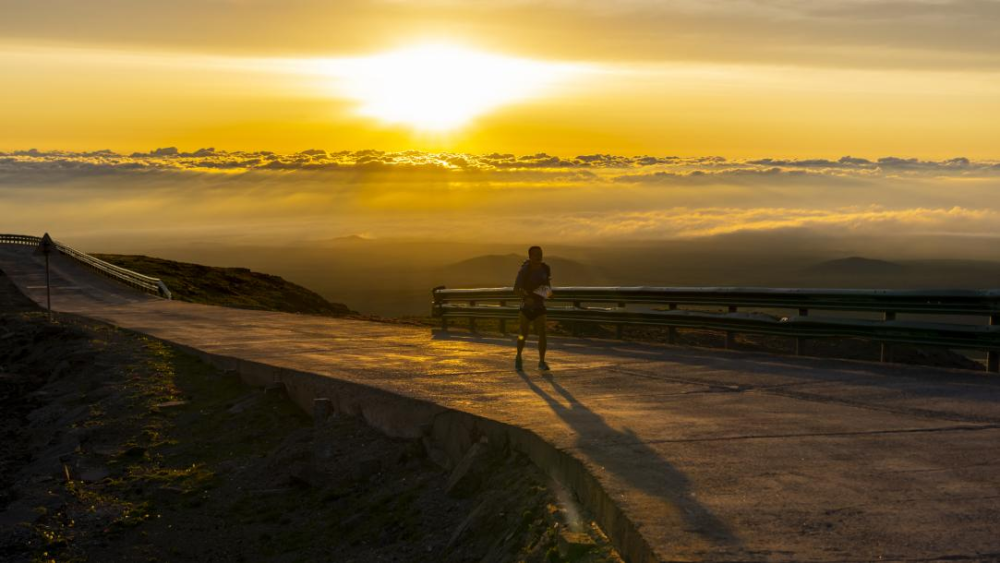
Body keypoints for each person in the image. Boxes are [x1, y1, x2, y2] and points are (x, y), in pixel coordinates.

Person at [513, 245, 552, 371]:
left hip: (539, 305)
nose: (539, 256)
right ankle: (518, 356)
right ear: (530, 256)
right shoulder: (525, 270)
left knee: (543, 333)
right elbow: (516, 289)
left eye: (540, 253)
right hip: (526, 307)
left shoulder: (545, 269)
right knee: (523, 334)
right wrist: (525, 299)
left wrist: (548, 293)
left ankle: (541, 361)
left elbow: (547, 287)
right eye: (536, 254)